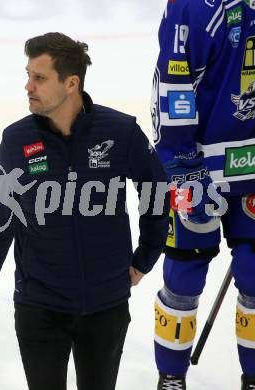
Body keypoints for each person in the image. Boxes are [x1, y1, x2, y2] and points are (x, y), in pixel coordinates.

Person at [0, 32, 169, 390]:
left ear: (71, 83)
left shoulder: (120, 132)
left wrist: (145, 258)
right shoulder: (17, 140)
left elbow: (156, 192)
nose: (28, 86)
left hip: (106, 303)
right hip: (39, 304)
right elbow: (3, 212)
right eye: (28, 74)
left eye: (39, 78)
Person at [151, 1, 255, 389]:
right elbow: (173, 85)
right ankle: (171, 376)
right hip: (197, 165)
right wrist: (182, 164)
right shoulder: (195, 7)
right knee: (184, 271)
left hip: (252, 166)